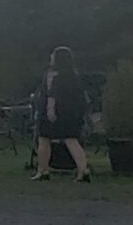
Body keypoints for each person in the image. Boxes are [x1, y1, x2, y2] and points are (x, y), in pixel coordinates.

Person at [32, 44, 94, 182]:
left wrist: (50, 110)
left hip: (53, 112)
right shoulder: (74, 75)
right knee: (72, 140)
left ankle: (43, 170)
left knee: (43, 139)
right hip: (71, 113)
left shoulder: (52, 75)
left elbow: (51, 94)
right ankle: (83, 170)